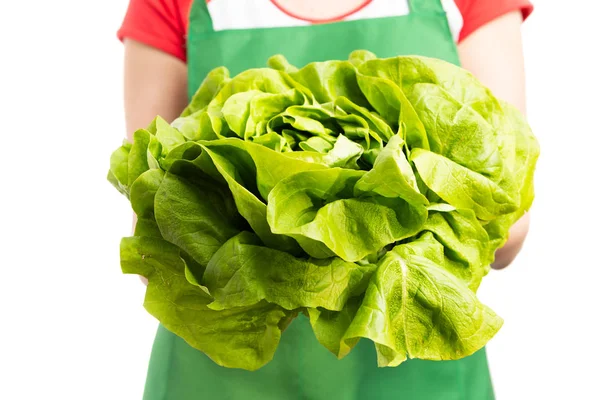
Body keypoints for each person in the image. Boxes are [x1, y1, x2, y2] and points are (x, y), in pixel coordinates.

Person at [118, 0, 533, 398]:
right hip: (224, 376)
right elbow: (154, 225)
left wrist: (314, 252)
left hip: (414, 375)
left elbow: (507, 222)